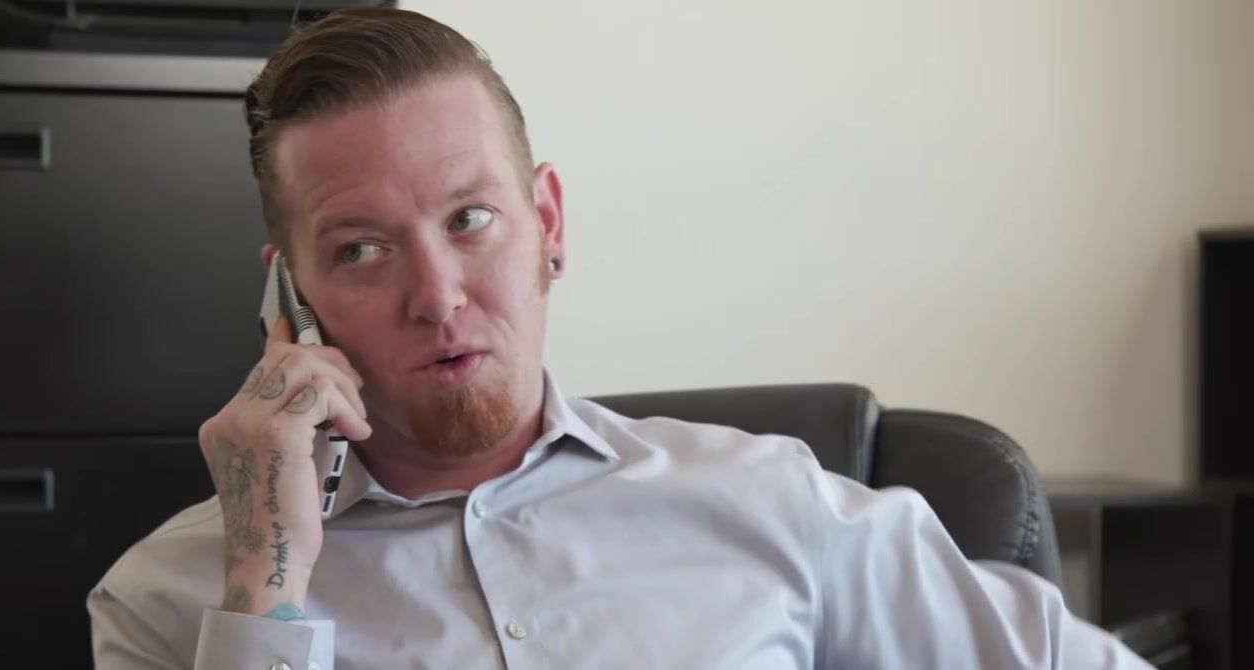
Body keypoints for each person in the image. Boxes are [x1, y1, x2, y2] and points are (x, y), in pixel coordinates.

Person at [88, 7, 1151, 669]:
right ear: (291, 297)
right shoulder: (169, 602)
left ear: (547, 222)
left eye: (470, 219)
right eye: (361, 249)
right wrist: (266, 585)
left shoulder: (777, 506)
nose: (438, 295)